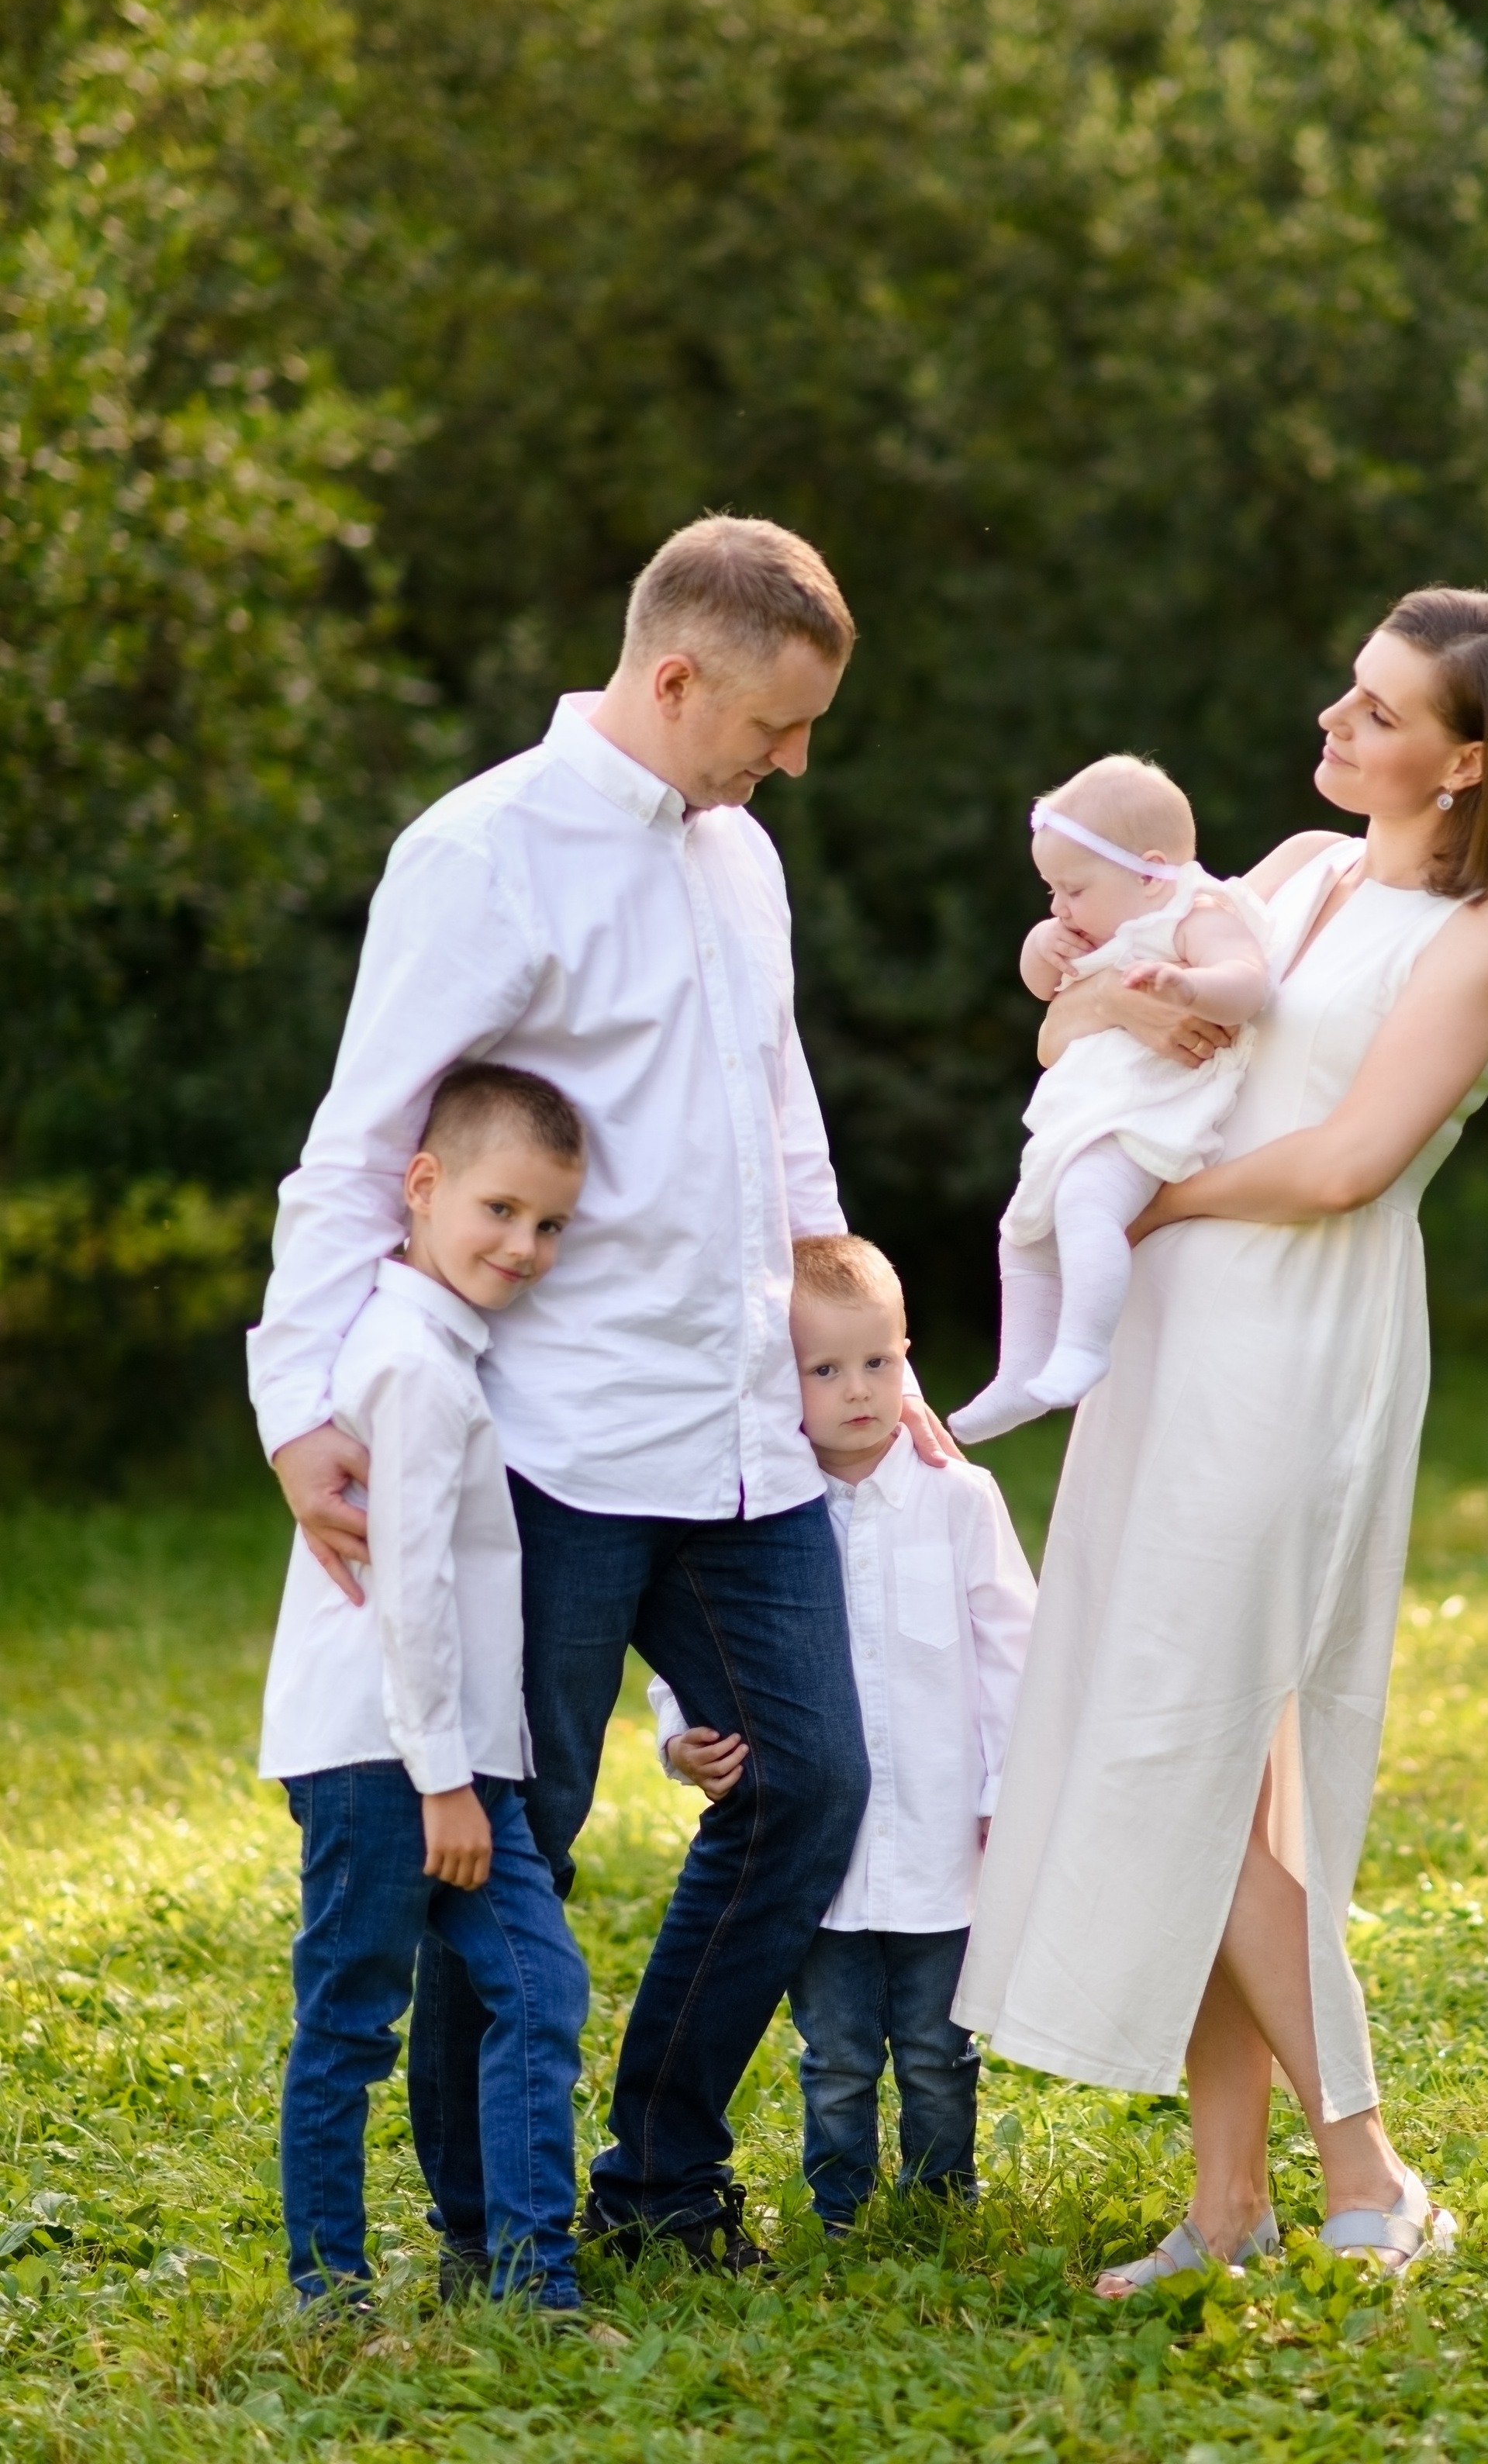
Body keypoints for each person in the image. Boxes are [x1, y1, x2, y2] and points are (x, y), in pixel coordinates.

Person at [248, 514, 957, 2279]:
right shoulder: (481, 852)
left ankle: (655, 2174)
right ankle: (491, 2217)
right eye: (775, 724)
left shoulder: (741, 855)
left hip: (743, 1433)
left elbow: (781, 1109)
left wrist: (861, 1333)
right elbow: (366, 1141)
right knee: (510, 1845)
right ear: (673, 676)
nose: (791, 759)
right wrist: (296, 1402)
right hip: (543, 1442)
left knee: (806, 1781)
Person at [956, 587, 1488, 2289]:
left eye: (1375, 714)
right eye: (1346, 693)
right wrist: (1074, 993)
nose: (1332, 724)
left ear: (1461, 765)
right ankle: (1223, 2206)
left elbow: (1341, 1163)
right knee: (1195, 1754)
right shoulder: (1289, 879)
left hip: (1296, 1347)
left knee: (1202, 1755)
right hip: (1173, 1340)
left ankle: (1362, 2162)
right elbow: (1092, 1025)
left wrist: (1151, 1211)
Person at [260, 1060, 592, 2310]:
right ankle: (327, 2289)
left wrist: (470, 1773)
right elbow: (408, 1588)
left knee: (541, 1986)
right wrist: (446, 1783)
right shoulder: (408, 1360)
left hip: (462, 1760)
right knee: (351, 2016)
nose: (524, 1245)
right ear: (425, 1186)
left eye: (549, 1224)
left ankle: (527, 2280)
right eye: (500, 1210)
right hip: (380, 1755)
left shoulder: (444, 1350)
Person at [652, 1235, 1035, 2233]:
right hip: (821, 1864)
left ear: (908, 1356)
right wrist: (680, 1737)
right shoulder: (765, 1516)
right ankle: (841, 2211)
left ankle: (943, 2200)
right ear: (778, 1382)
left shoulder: (958, 1499)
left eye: (878, 1362)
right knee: (835, 2055)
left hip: (945, 1841)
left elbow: (1012, 1651)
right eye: (823, 1370)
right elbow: (693, 1640)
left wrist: (1006, 1790)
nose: (857, 1390)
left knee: (938, 2048)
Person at [951, 756, 1272, 1446]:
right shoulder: (1100, 929)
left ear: (1151, 874)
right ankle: (1017, 1376)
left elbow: (1249, 982)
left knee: (1084, 1206)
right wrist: (1043, 945)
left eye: (1071, 889)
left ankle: (1084, 1347)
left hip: (1155, 1108)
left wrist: (1192, 988)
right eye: (1051, 893)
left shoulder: (1195, 912)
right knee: (1022, 1232)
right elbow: (1043, 989)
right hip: (1089, 1112)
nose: (1060, 907)